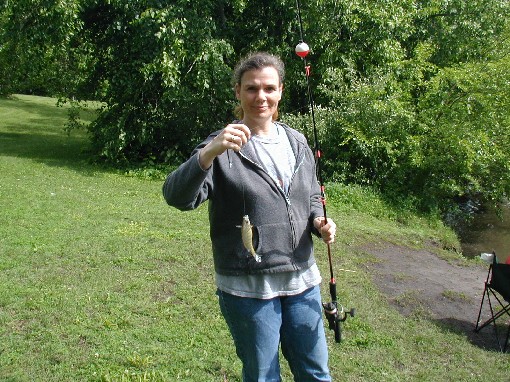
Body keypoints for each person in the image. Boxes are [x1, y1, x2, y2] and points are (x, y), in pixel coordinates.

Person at [163, 52, 336, 381]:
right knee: (262, 376)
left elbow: (311, 195)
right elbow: (176, 197)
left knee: (316, 373)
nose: (261, 97)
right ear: (238, 92)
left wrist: (318, 221)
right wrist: (210, 152)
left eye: (269, 88)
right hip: (248, 287)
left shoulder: (297, 141)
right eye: (252, 88)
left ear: (281, 91)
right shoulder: (222, 145)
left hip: (302, 280)